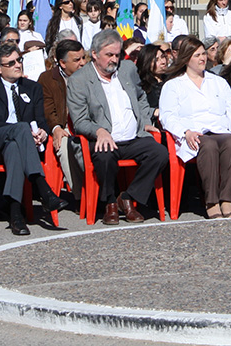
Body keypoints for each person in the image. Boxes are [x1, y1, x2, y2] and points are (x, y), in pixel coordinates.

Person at [67, 29, 169, 225]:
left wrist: (146, 122)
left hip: (132, 137)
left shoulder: (127, 69)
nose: (114, 59)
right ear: (95, 54)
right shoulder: (79, 80)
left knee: (159, 153)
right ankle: (110, 203)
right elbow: (79, 120)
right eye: (109, 55)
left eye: (117, 54)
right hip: (103, 138)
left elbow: (140, 97)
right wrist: (99, 131)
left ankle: (129, 198)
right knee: (105, 156)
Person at [0, 44, 67, 235]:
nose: (18, 65)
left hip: (20, 145)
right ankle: (43, 187)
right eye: (11, 62)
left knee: (14, 148)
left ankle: (15, 215)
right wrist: (16, 129)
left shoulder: (32, 88)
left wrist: (42, 132)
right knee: (20, 128)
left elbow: (40, 120)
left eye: (19, 60)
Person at [159, 36, 231, 219]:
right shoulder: (173, 86)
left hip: (220, 129)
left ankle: (226, 199)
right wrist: (186, 132)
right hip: (193, 132)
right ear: (186, 59)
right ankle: (211, 201)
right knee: (208, 145)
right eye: (197, 55)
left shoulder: (218, 82)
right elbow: (168, 116)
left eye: (203, 54)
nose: (202, 58)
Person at [37, 39, 86, 191]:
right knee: (64, 144)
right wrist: (56, 128)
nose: (83, 63)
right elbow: (47, 109)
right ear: (62, 63)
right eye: (77, 60)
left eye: (84, 57)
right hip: (64, 126)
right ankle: (81, 194)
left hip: (88, 125)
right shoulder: (47, 79)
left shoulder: (91, 75)